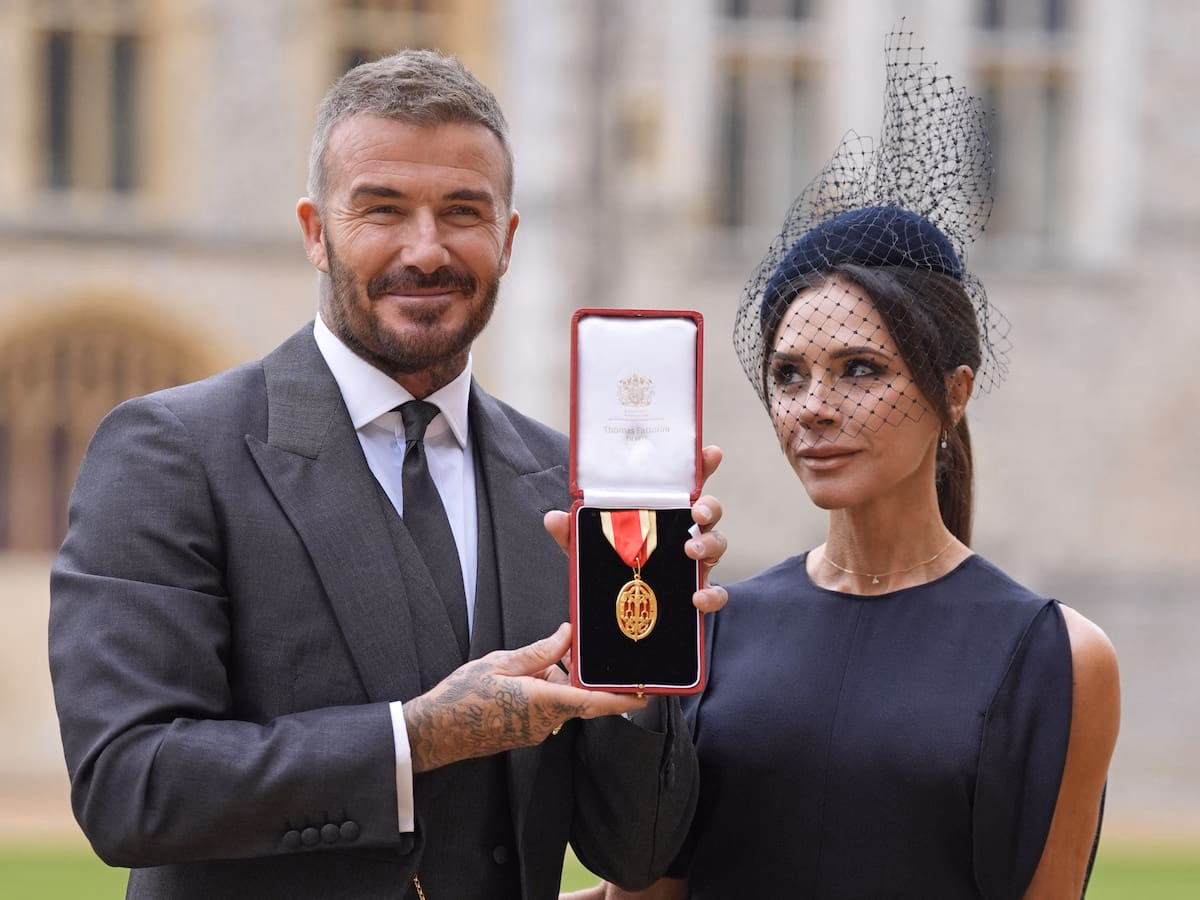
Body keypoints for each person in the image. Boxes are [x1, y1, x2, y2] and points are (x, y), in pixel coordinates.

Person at [48, 49, 728, 899]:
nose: (427, 249)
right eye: (382, 210)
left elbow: (635, 851)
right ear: (315, 232)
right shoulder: (172, 452)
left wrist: (649, 647)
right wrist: (416, 739)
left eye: (463, 212)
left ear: (509, 239)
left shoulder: (569, 486)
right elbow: (129, 786)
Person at [570, 30, 1120, 900]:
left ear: (954, 391)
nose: (813, 406)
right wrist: (618, 640)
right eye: (789, 375)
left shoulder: (1058, 656)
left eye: (860, 370)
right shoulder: (708, 628)